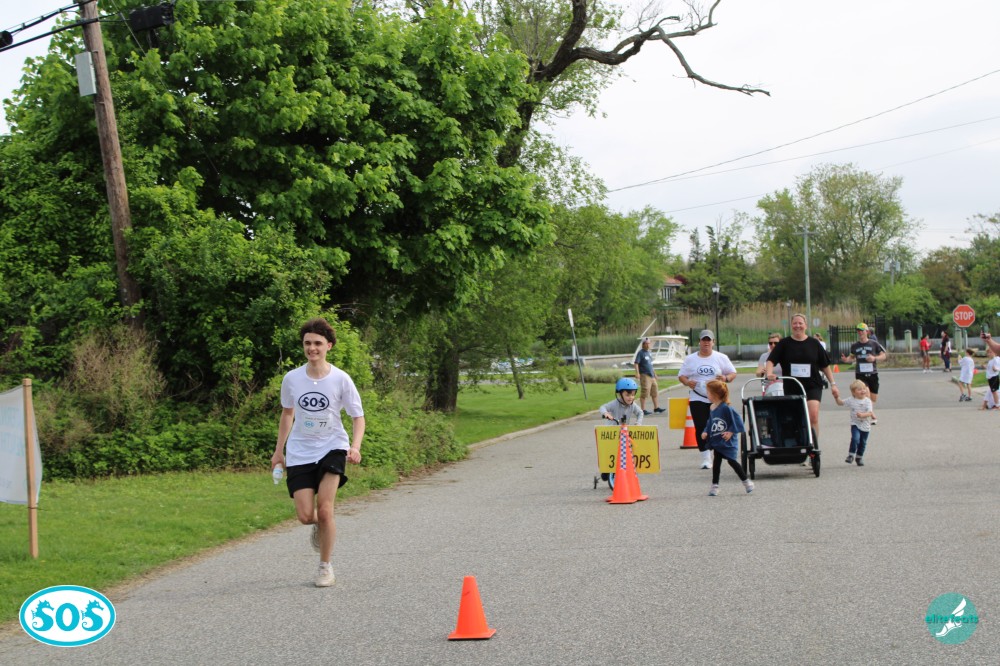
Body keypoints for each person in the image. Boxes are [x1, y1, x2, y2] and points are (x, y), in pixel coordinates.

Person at [272, 317, 365, 587]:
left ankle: (325, 567)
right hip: (300, 450)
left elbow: (358, 417)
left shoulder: (340, 379)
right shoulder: (292, 379)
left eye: (317, 343)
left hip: (332, 446)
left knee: (325, 510)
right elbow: (287, 414)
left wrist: (355, 446)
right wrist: (279, 451)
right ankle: (322, 525)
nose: (312, 348)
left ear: (329, 346)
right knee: (305, 516)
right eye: (307, 343)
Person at [765, 314, 840, 441]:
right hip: (792, 386)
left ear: (806, 325)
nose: (797, 326)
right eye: (795, 323)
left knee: (813, 416)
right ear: (791, 325)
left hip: (812, 385)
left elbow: (825, 366)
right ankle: (800, 443)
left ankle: (813, 446)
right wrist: (769, 373)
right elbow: (770, 361)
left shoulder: (814, 343)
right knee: (795, 418)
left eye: (800, 323)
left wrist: (833, 384)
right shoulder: (784, 344)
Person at [678, 330, 737, 470]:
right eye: (703, 340)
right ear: (699, 342)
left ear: (713, 342)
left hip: (717, 399)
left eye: (708, 340)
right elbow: (681, 375)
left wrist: (726, 378)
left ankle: (719, 454)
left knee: (719, 426)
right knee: (700, 427)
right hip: (698, 397)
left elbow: (733, 373)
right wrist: (687, 382)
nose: (706, 343)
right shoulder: (691, 359)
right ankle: (705, 457)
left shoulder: (721, 357)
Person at [700, 380, 753, 496]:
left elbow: (737, 421)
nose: (707, 394)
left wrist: (731, 432)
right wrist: (705, 431)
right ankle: (715, 486)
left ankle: (746, 482)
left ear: (715, 394)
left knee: (732, 461)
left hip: (727, 441)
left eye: (708, 392)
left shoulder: (726, 408)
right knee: (716, 462)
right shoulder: (712, 407)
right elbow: (710, 422)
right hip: (717, 441)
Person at [597, 378, 644, 483]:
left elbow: (640, 413)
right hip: (611, 433)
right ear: (620, 394)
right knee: (611, 453)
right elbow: (602, 407)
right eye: (627, 395)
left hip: (623, 433)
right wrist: (606, 413)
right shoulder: (614, 404)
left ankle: (625, 472)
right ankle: (606, 470)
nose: (631, 397)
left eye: (633, 395)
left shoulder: (632, 405)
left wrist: (638, 423)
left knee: (626, 452)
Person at [840, 322, 887, 420]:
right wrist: (846, 360)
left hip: (873, 373)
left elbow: (884, 355)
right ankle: (870, 415)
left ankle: (870, 412)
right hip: (860, 374)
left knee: (873, 398)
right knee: (866, 393)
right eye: (858, 331)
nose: (860, 333)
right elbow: (852, 357)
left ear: (867, 332)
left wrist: (874, 358)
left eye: (862, 331)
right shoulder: (855, 345)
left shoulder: (874, 343)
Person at [834, 379, 875, 466]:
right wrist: (836, 397)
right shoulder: (851, 400)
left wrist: (862, 415)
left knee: (863, 443)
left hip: (865, 426)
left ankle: (859, 457)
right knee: (855, 439)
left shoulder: (867, 401)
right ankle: (851, 455)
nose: (862, 391)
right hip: (855, 424)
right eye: (859, 389)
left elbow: (870, 413)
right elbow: (840, 403)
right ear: (853, 392)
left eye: (864, 389)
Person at [633, 337, 665, 415]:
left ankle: (656, 408)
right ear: (643, 344)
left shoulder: (649, 353)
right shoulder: (640, 353)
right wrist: (637, 373)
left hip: (651, 376)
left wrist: (655, 374)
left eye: (649, 343)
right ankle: (642, 410)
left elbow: (650, 365)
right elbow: (636, 363)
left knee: (655, 391)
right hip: (645, 375)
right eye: (646, 344)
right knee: (645, 391)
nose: (648, 345)